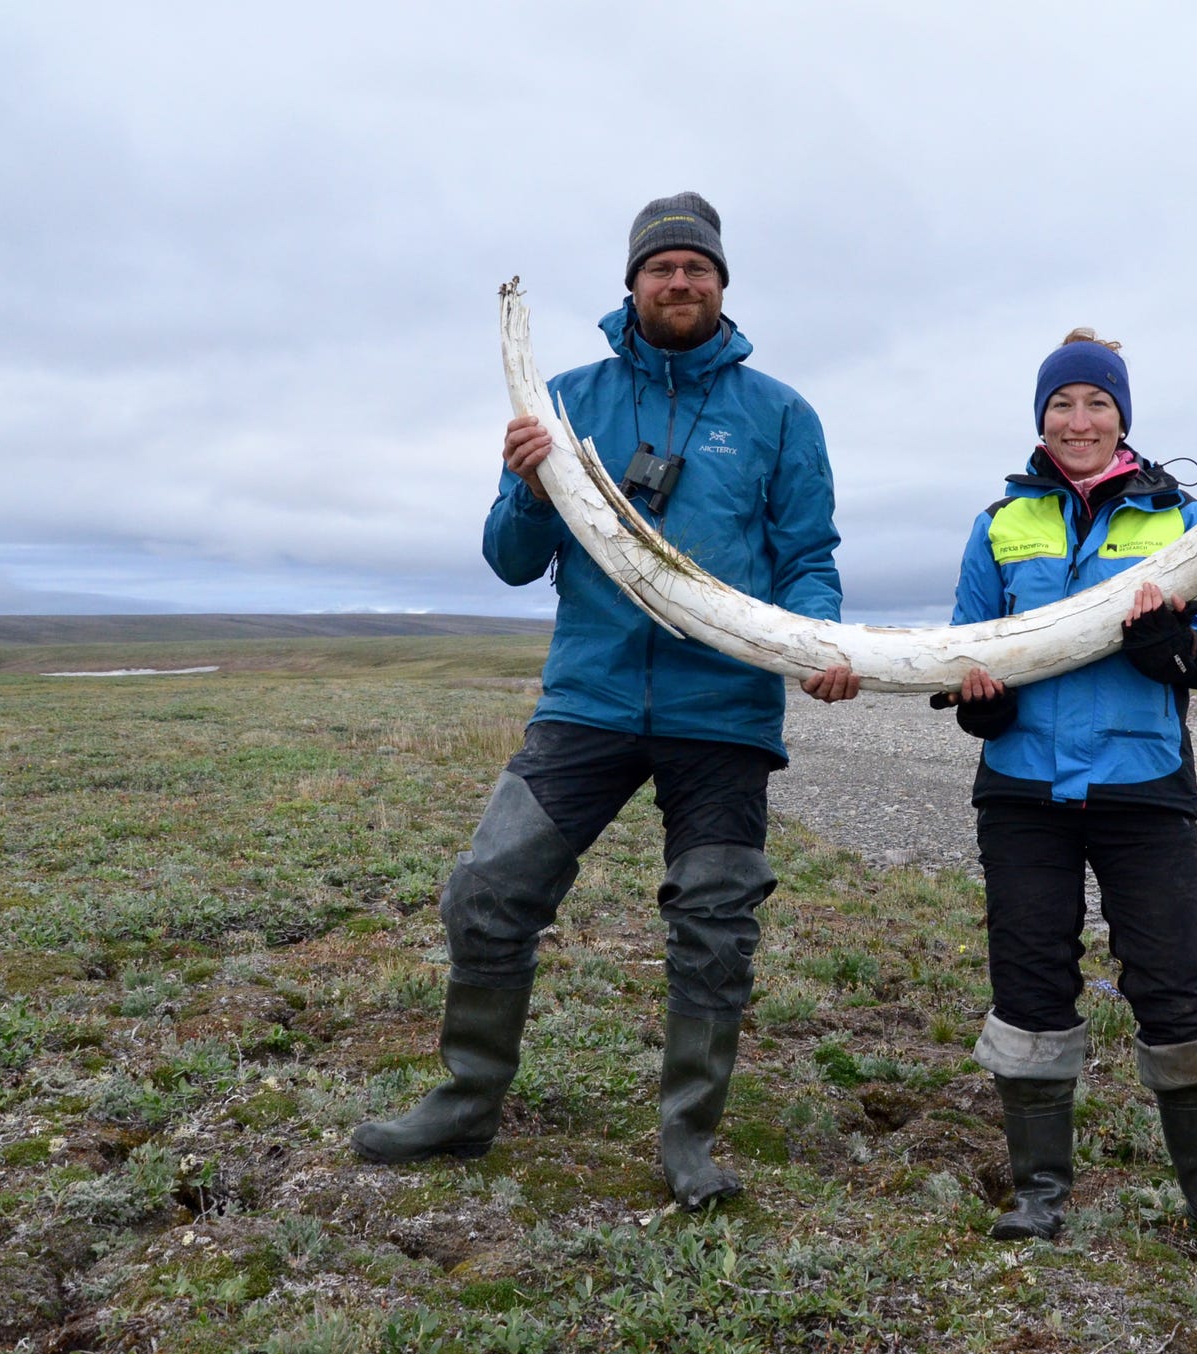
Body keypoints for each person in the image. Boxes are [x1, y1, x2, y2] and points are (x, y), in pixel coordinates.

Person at [353, 192, 860, 1210]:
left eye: (697, 269)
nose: (680, 283)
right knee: (489, 889)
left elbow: (807, 559)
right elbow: (507, 561)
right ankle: (466, 1101)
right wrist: (528, 487)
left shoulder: (781, 415)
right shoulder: (567, 398)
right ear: (631, 283)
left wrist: (821, 643)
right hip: (587, 702)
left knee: (716, 923)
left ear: (722, 285)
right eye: (662, 268)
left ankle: (688, 1141)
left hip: (724, 713)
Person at [942, 328, 1197, 1253]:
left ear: (1123, 417)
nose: (1077, 419)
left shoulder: (1190, 523)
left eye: (1096, 403)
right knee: (1029, 982)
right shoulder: (997, 523)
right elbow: (966, 648)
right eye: (1061, 404)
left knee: (1173, 989)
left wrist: (1166, 644)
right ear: (1040, 418)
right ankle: (1039, 1192)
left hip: (1143, 786)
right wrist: (981, 706)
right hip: (1020, 790)